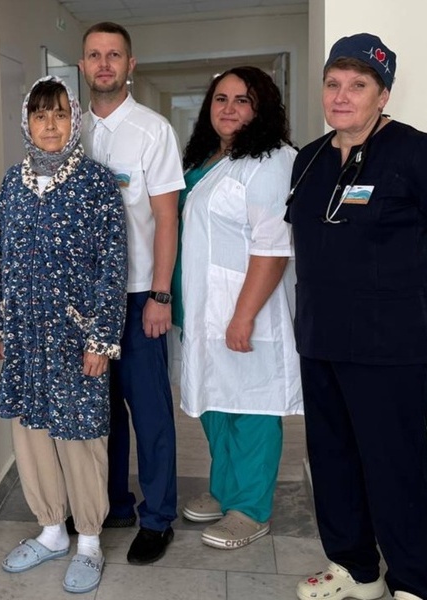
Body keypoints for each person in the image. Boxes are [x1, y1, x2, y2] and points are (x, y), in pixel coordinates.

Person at [286, 33, 427, 600]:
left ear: (382, 94)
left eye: (358, 85)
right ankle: (356, 570)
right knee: (332, 460)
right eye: (333, 84)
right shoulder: (310, 159)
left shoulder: (414, 154)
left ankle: (414, 581)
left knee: (396, 467)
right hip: (320, 338)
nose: (341, 96)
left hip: (390, 346)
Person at [0, 76, 127, 593]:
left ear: (75, 121)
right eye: (40, 114)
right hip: (24, 335)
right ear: (26, 122)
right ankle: (50, 530)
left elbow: (113, 264)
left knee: (81, 436)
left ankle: (88, 540)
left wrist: (101, 338)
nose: (50, 125)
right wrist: (1, 326)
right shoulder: (12, 182)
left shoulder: (95, 182)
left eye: (61, 114)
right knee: (32, 435)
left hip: (75, 336)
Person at [176, 66, 302, 549]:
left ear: (261, 108)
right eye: (221, 98)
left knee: (252, 407)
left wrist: (244, 315)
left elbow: (273, 247)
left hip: (246, 308)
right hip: (203, 306)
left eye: (242, 100)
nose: (229, 108)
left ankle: (250, 509)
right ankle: (226, 490)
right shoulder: (211, 156)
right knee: (216, 403)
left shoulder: (272, 161)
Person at [78, 21, 185, 564]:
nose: (104, 64)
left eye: (113, 55)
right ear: (82, 65)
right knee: (101, 411)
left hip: (138, 295)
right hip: (85, 302)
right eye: (94, 55)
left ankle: (158, 517)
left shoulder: (152, 130)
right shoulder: (68, 128)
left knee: (149, 412)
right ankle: (113, 503)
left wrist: (160, 296)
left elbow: (167, 218)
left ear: (130, 65)